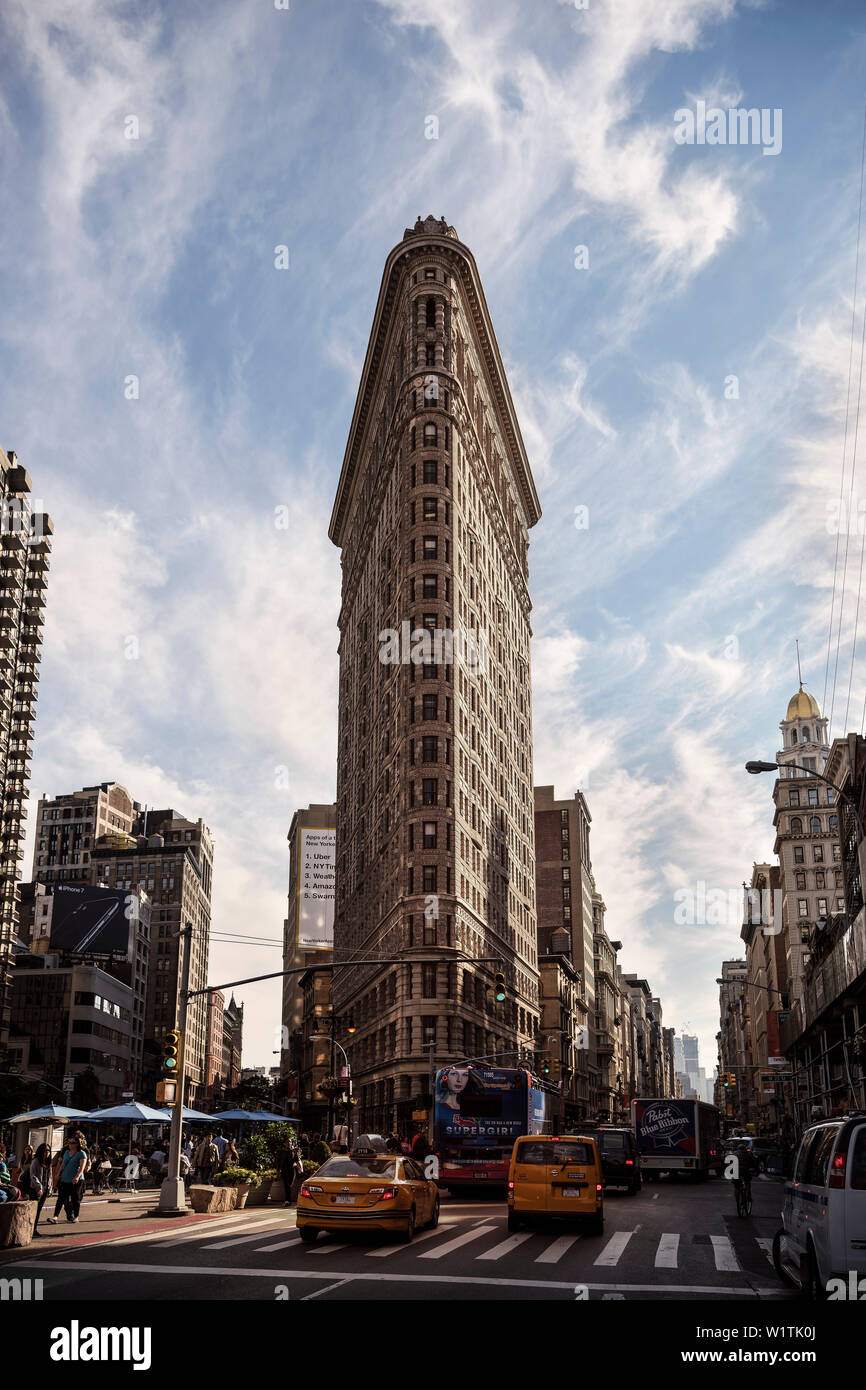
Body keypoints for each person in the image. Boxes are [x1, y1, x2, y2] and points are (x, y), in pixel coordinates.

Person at [46, 1136, 87, 1224]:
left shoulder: (82, 1153)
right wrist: (58, 1173)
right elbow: (63, 1164)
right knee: (60, 1198)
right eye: (69, 1143)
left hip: (76, 1180)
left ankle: (76, 1216)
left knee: (75, 1199)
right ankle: (55, 1217)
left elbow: (82, 1167)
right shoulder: (66, 1152)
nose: (70, 1144)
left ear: (77, 1144)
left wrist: (77, 1176)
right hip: (64, 1179)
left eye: (72, 1143)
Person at [28, 1144, 52, 1233]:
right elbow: (33, 1175)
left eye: (48, 1151)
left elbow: (50, 1176)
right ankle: (31, 1229)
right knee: (34, 1210)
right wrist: (39, 1187)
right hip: (35, 1189)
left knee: (38, 1210)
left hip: (44, 1190)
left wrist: (49, 1188)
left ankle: (34, 1229)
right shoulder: (36, 1161)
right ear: (40, 1151)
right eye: (45, 1151)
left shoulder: (48, 1162)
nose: (47, 1153)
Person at [280, 1138, 303, 1207]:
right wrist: (278, 1170)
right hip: (284, 1170)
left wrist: (299, 1167)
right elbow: (279, 1162)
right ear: (284, 1144)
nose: (289, 1143)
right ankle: (287, 1200)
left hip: (292, 1170)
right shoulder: (281, 1152)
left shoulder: (293, 1151)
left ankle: (288, 1200)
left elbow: (297, 1160)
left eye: (290, 1142)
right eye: (287, 1142)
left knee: (290, 1185)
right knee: (286, 1185)